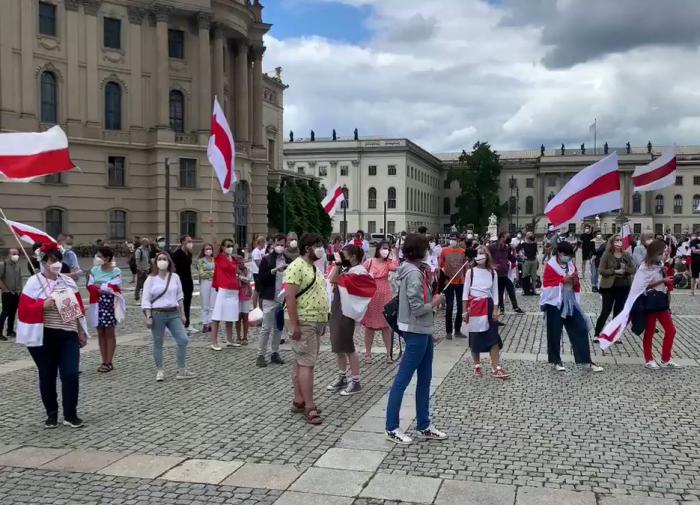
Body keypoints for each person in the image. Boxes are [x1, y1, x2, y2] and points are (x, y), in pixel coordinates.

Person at [16, 243, 89, 428]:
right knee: (47, 376)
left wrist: (81, 331)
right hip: (44, 337)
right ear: (44, 262)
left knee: (71, 374)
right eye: (52, 260)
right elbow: (24, 310)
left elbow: (77, 309)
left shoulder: (68, 282)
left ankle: (70, 414)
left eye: (58, 260)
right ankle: (51, 413)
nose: (56, 264)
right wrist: (42, 305)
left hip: (68, 335)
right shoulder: (34, 283)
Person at [385, 234, 447, 445]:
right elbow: (418, 308)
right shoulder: (412, 274)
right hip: (416, 329)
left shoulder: (416, 270)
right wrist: (436, 301)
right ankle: (391, 427)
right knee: (402, 380)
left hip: (423, 330)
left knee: (425, 378)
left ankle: (424, 423)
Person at [285, 233, 329, 425]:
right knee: (307, 364)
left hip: (315, 320)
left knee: (301, 361)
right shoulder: (296, 267)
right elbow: (290, 299)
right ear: (306, 248)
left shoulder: (313, 267)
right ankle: (309, 406)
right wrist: (295, 325)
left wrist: (323, 319)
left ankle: (299, 399)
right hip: (304, 321)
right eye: (317, 245)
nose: (321, 248)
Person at [540, 242, 603, 373]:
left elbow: (576, 281)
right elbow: (547, 284)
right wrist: (562, 282)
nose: (568, 257)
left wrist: (572, 281)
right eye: (566, 255)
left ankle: (585, 360)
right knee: (554, 332)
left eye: (570, 255)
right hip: (555, 303)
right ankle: (556, 360)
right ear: (559, 253)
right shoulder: (551, 266)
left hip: (570, 302)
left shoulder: (570, 265)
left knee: (580, 328)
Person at [141, 252, 195, 381]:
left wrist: (182, 314)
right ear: (156, 262)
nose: (162, 261)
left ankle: (182, 369)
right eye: (160, 259)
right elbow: (146, 299)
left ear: (169, 262)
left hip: (173, 313)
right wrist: (148, 316)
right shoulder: (151, 279)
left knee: (183, 339)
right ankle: (160, 370)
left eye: (164, 259)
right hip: (157, 313)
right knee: (158, 342)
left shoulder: (175, 277)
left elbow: (180, 296)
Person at [327, 245, 372, 396]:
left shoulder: (359, 271)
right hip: (337, 309)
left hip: (347, 312)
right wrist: (338, 266)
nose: (341, 258)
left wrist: (339, 267)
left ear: (352, 257)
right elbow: (332, 280)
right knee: (337, 345)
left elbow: (337, 280)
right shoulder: (347, 270)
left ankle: (356, 380)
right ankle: (342, 376)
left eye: (344, 255)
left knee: (348, 346)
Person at [463, 246, 509, 378]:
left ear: (487, 255)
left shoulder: (492, 272)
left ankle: (496, 367)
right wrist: (464, 311)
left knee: (493, 337)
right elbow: (465, 294)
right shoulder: (470, 272)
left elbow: (495, 293)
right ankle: (477, 366)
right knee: (475, 337)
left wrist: (496, 309)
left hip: (488, 305)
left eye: (482, 253)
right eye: (478, 253)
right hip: (474, 306)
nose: (480, 256)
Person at [633, 240, 680, 369]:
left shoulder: (660, 265)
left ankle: (666, 358)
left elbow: (663, 281)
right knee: (650, 331)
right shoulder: (644, 266)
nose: (663, 254)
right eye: (661, 252)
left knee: (671, 330)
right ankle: (648, 359)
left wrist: (667, 277)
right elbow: (642, 285)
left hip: (661, 301)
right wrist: (662, 280)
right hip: (650, 302)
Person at [87, 246, 124, 373]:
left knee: (109, 332)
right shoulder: (94, 270)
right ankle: (103, 360)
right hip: (97, 303)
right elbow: (90, 285)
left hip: (109, 304)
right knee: (100, 332)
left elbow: (115, 286)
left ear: (107, 258)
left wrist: (102, 287)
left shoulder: (116, 271)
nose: (97, 258)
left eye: (100, 256)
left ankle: (109, 361)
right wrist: (101, 287)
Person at [362, 241, 399, 364]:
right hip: (371, 295)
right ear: (378, 249)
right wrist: (368, 275)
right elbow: (360, 274)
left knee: (385, 326)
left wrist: (393, 254)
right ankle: (368, 353)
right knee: (369, 326)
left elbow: (395, 267)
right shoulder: (370, 261)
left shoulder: (388, 263)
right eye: (384, 248)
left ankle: (389, 354)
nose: (385, 250)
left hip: (384, 295)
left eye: (387, 249)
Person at [256, 234, 291, 367]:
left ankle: (275, 352)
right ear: (273, 244)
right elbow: (261, 278)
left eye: (282, 244)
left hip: (282, 298)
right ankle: (260, 355)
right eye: (278, 244)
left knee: (278, 327)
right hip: (270, 297)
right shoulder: (267, 259)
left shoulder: (288, 259)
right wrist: (274, 270)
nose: (280, 247)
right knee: (266, 327)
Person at [593, 234, 634, 342]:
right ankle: (597, 334)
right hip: (608, 287)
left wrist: (626, 269)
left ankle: (614, 335)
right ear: (612, 242)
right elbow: (601, 270)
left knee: (618, 312)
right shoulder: (607, 254)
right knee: (606, 310)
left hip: (623, 287)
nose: (619, 242)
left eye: (620, 240)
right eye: (617, 240)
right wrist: (614, 271)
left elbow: (633, 269)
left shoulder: (626, 255)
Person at [209, 239, 240, 351]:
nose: (230, 247)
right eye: (228, 246)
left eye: (231, 245)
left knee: (230, 316)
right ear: (222, 247)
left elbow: (236, 271)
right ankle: (214, 341)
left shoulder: (233, 258)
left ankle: (230, 339)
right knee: (217, 316)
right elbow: (215, 248)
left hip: (234, 289)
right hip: (223, 289)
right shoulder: (220, 257)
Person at [439, 233, 466, 339]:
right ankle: (449, 331)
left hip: (460, 281)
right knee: (449, 307)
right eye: (451, 239)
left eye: (454, 239)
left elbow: (465, 267)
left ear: (458, 240)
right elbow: (440, 265)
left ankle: (458, 330)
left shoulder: (463, 252)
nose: (452, 241)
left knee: (460, 307)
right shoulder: (444, 251)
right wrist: (443, 275)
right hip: (449, 281)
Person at [489, 232, 524, 316]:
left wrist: (514, 251)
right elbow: (486, 253)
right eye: (506, 236)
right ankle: (502, 308)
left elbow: (512, 259)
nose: (508, 238)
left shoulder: (507, 248)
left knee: (510, 289)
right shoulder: (493, 247)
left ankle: (514, 307)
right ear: (501, 237)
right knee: (500, 292)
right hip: (496, 273)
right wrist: (491, 265)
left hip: (504, 273)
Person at [171, 235, 194, 332]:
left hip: (188, 280)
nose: (190, 243)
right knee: (180, 303)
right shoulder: (177, 254)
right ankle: (179, 324)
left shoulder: (189, 253)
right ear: (182, 242)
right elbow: (173, 268)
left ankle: (187, 324)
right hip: (180, 281)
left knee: (187, 303)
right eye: (188, 241)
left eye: (191, 241)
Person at [0, 248, 23, 340]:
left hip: (16, 293)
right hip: (7, 292)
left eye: (17, 254)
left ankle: (10, 330)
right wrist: (5, 290)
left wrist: (20, 291)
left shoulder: (18, 266)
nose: (15, 256)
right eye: (13, 254)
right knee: (5, 313)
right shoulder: (3, 265)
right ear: (9, 254)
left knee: (13, 313)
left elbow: (20, 279)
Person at [196, 243, 216, 334]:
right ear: (204, 251)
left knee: (213, 304)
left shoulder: (215, 260)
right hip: (205, 283)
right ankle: (205, 323)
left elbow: (218, 272)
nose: (208, 250)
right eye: (206, 249)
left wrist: (209, 273)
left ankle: (211, 323)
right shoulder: (201, 261)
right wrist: (212, 273)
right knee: (205, 304)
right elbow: (201, 273)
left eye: (210, 248)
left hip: (214, 283)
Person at [236, 248, 253, 345]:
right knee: (238, 317)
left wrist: (240, 277)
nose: (242, 264)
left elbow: (248, 279)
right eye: (239, 263)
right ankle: (238, 337)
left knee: (245, 316)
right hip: (237, 295)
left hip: (246, 293)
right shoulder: (235, 271)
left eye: (242, 262)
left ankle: (245, 337)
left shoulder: (248, 270)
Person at [251, 236, 266, 308]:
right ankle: (255, 307)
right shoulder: (256, 251)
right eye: (264, 243)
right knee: (257, 291)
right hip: (257, 273)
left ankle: (260, 307)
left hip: (259, 273)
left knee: (259, 291)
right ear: (261, 242)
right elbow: (259, 264)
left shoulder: (259, 251)